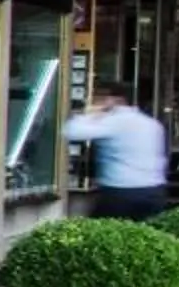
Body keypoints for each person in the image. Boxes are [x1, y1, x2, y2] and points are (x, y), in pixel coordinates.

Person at [66, 80, 168, 221]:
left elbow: (71, 131)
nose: (96, 102)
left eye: (100, 98)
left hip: (121, 191)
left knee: (102, 230)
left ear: (115, 100)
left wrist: (92, 113)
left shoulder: (113, 121)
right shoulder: (152, 124)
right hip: (154, 190)